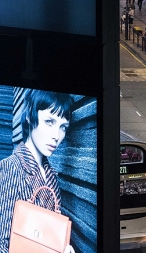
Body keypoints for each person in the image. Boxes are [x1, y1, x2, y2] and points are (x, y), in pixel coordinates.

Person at [0, 90, 77, 253]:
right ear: (29, 116)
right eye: (49, 121)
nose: (56, 135)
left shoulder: (52, 177)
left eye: (63, 127)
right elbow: (3, 244)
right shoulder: (8, 169)